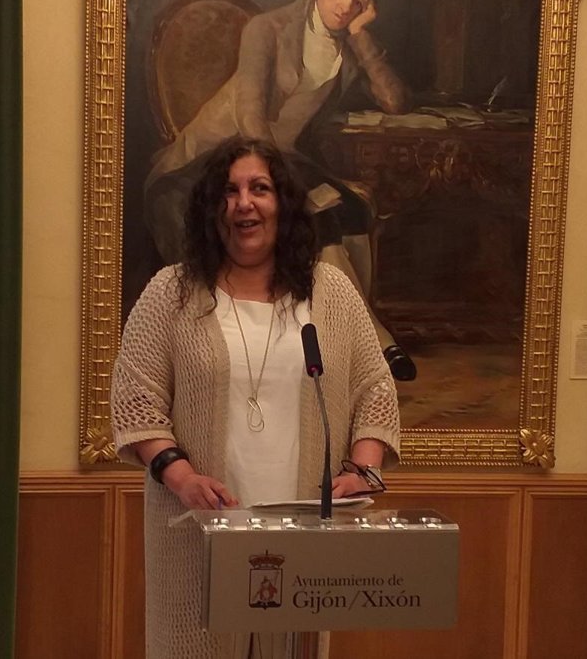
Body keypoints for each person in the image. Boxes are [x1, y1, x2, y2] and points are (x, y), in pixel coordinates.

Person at [113, 136, 401, 658]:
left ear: (283, 204)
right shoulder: (171, 292)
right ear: (211, 208)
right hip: (200, 529)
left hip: (304, 536)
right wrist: (182, 476)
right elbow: (137, 399)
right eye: (229, 191)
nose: (243, 203)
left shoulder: (330, 292)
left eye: (259, 189)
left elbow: (374, 387)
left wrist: (363, 469)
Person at [144, 0, 418, 381]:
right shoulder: (267, 28)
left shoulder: (347, 46)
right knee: (317, 212)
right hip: (220, 155)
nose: (347, 5)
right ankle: (375, 341)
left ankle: (346, 341)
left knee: (348, 210)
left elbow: (396, 101)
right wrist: (283, 181)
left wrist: (361, 36)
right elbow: (250, 114)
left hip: (281, 155)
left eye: (359, 2)